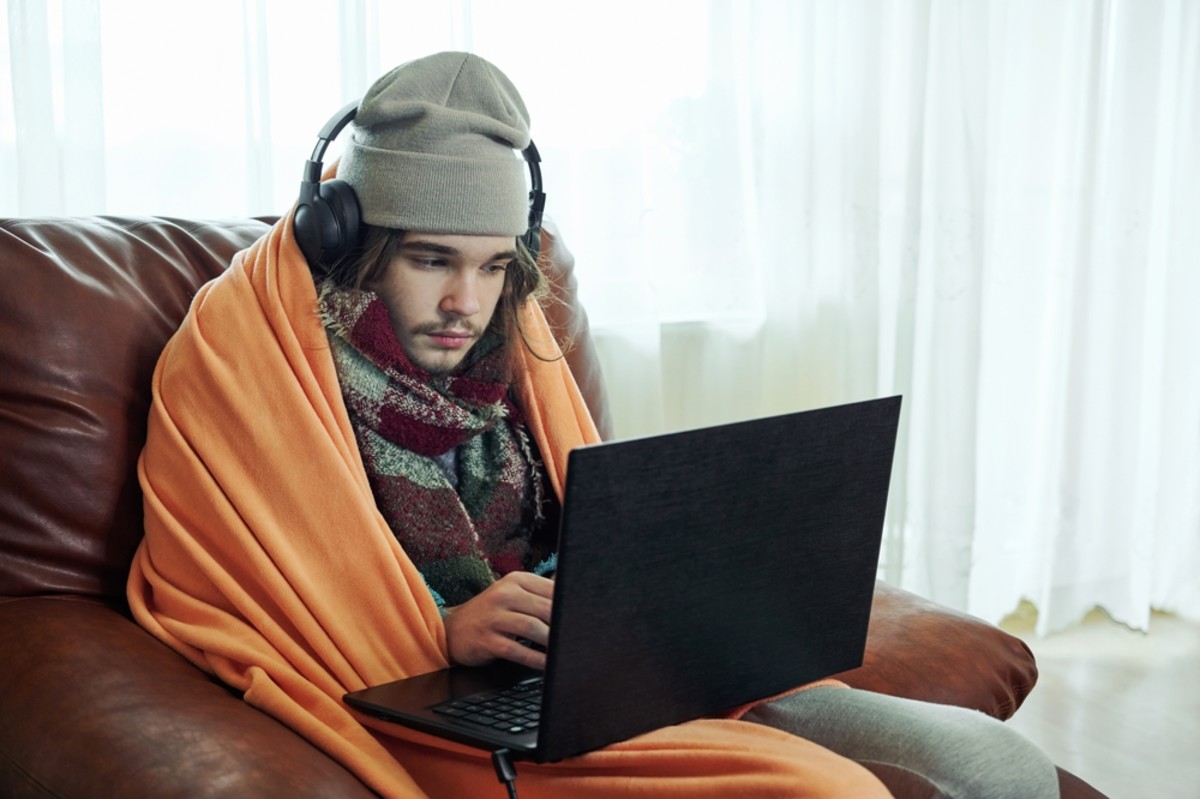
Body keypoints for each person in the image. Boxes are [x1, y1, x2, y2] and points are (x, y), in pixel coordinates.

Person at [127, 51, 1058, 799]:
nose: (466, 301)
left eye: (495, 266)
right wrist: (442, 630)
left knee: (998, 762)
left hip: (605, 675)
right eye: (431, 259)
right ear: (351, 241)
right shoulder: (255, 362)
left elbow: (582, 520)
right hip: (453, 712)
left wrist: (657, 587)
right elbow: (257, 594)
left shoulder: (508, 349)